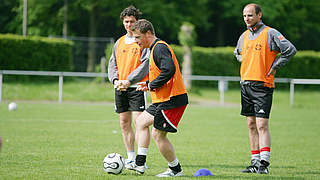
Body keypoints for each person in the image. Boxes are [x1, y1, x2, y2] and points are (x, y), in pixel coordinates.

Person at [234, 3, 297, 174]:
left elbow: (290, 50)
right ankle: (254, 163)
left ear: (259, 15)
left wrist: (275, 65)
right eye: (244, 16)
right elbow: (237, 52)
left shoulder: (271, 33)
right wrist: (245, 61)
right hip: (245, 85)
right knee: (251, 125)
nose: (247, 18)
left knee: (262, 124)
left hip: (263, 86)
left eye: (250, 15)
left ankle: (264, 164)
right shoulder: (244, 35)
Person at [130, 19, 188, 177]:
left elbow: (169, 70)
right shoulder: (154, 48)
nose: (136, 41)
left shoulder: (159, 48)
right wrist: (149, 84)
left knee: (157, 134)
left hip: (172, 100)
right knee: (140, 122)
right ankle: (140, 165)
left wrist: (150, 85)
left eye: (137, 37)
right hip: (162, 100)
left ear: (148, 34)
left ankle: (175, 170)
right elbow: (162, 72)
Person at [107, 5, 149, 170]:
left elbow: (145, 65)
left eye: (132, 21)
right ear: (123, 22)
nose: (129, 24)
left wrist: (129, 81)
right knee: (124, 123)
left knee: (139, 123)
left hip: (137, 88)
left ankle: (140, 160)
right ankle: (130, 158)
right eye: (126, 21)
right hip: (120, 88)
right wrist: (116, 80)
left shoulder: (142, 42)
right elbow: (112, 64)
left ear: (137, 21)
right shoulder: (119, 42)